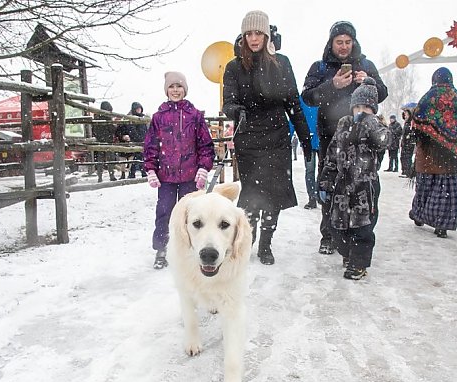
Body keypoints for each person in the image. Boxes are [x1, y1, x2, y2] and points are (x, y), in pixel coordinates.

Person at [222, 10, 313, 265]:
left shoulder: (281, 63)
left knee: (273, 196)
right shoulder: (234, 66)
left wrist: (305, 139)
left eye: (258, 33)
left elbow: (293, 103)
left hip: (277, 137)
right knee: (250, 196)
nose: (253, 38)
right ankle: (245, 243)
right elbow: (228, 102)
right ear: (243, 37)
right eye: (248, 33)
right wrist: (235, 110)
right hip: (249, 137)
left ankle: (266, 244)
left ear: (266, 35)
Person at [301, 20, 387, 255]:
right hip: (331, 138)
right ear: (331, 43)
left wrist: (367, 82)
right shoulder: (319, 67)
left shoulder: (366, 65)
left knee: (363, 188)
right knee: (330, 186)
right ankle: (329, 235)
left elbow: (382, 92)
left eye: (348, 42)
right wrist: (333, 85)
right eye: (339, 42)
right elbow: (307, 96)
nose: (344, 46)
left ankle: (358, 236)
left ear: (354, 42)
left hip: (364, 140)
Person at [318, 78, 389, 280]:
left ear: (374, 109)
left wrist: (371, 123)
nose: (361, 110)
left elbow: (385, 141)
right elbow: (332, 155)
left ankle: (358, 263)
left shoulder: (376, 127)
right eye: (357, 106)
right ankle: (348, 252)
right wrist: (325, 181)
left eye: (367, 107)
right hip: (342, 185)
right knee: (338, 225)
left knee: (363, 227)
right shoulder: (344, 124)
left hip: (365, 187)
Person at [143, 71, 215, 269]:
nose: (175, 90)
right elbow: (151, 145)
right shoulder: (159, 117)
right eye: (172, 87)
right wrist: (151, 169)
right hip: (165, 177)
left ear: (185, 89)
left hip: (190, 177)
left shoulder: (195, 115)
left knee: (190, 215)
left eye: (179, 86)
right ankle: (162, 249)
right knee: (164, 212)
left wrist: (203, 168)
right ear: (167, 90)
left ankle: (190, 249)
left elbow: (205, 145)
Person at [408, 67, 457, 239]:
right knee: (445, 192)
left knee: (424, 188)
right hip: (451, 158)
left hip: (428, 154)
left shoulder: (428, 97)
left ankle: (418, 215)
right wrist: (453, 145)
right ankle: (442, 225)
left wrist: (430, 138)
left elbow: (415, 123)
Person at [116, 102, 149, 179]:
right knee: (138, 157)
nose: (139, 110)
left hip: (142, 140)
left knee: (139, 157)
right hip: (137, 140)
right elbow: (132, 130)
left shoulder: (143, 118)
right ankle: (139, 173)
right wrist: (137, 138)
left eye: (140, 108)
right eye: (137, 108)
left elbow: (145, 130)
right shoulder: (132, 118)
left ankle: (134, 173)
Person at [93, 101, 118, 182]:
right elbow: (112, 129)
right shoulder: (107, 118)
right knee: (110, 159)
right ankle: (111, 175)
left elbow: (94, 130)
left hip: (100, 141)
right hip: (108, 141)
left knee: (100, 159)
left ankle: (99, 176)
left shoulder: (96, 117)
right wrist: (115, 125)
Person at [398, 103, 417, 178]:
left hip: (409, 143)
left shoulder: (411, 123)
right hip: (405, 143)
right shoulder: (406, 123)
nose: (405, 116)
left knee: (407, 157)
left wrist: (409, 136)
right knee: (403, 157)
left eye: (406, 114)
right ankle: (404, 170)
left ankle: (408, 171)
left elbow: (412, 133)